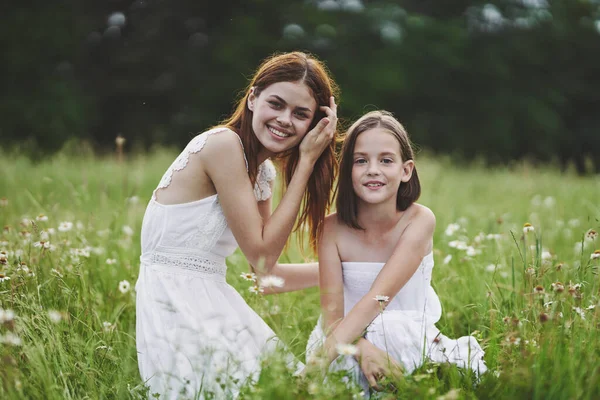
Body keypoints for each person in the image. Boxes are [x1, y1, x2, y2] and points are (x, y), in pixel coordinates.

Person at [135, 51, 339, 399]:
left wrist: (341, 271)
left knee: (287, 390)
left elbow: (265, 276)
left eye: (300, 114)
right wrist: (305, 162)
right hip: (175, 303)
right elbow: (261, 256)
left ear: (313, 125)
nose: (285, 120)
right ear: (253, 98)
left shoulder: (262, 172)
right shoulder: (223, 145)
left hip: (210, 297)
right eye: (276, 104)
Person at [306, 110, 486, 396]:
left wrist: (312, 369)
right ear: (347, 170)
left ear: (406, 170)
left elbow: (377, 299)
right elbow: (332, 318)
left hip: (407, 336)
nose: (373, 169)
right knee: (341, 373)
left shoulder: (419, 220)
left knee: (388, 330)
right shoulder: (331, 229)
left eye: (386, 160)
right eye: (361, 160)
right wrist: (359, 347)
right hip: (343, 338)